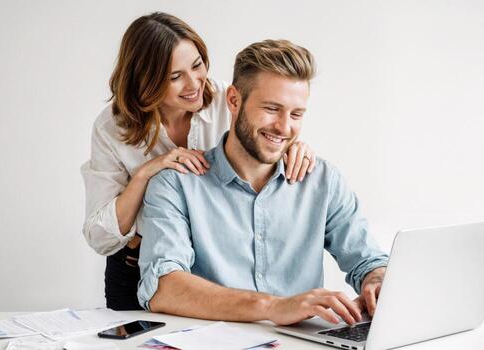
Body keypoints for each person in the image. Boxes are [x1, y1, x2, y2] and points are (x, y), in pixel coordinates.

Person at [137, 39, 389, 325]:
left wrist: (376, 282)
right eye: (272, 109)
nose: (284, 127)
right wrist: (272, 307)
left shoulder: (322, 181)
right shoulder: (176, 185)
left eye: (296, 114)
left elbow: (368, 260)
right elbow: (162, 287)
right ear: (233, 100)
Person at [81, 13, 317, 311]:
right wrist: (144, 175)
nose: (194, 84)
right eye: (174, 76)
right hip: (138, 265)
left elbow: (269, 132)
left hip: (212, 268)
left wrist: (296, 147)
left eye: (197, 65)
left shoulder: (225, 100)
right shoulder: (113, 127)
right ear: (145, 80)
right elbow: (99, 237)